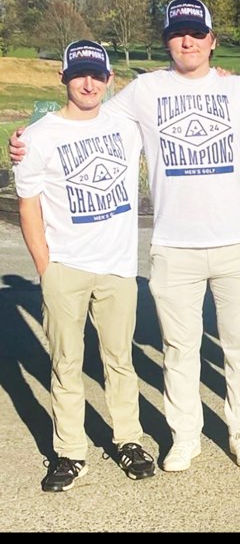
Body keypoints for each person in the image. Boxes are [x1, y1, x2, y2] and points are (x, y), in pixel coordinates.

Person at [10, 0, 240, 473]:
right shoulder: (143, 91)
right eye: (176, 33)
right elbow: (79, 120)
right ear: (166, 40)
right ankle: (184, 437)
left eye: (196, 33)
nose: (186, 41)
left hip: (238, 242)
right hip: (173, 245)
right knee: (179, 351)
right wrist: (23, 140)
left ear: (212, 40)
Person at [15, 40, 155, 491]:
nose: (88, 83)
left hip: (117, 266)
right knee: (66, 362)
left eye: (96, 75)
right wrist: (45, 265)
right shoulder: (39, 136)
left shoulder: (125, 124)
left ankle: (128, 439)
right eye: (79, 75)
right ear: (64, 79)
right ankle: (70, 452)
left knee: (119, 359)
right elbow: (28, 203)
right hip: (66, 267)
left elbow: (178, 85)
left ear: (109, 79)